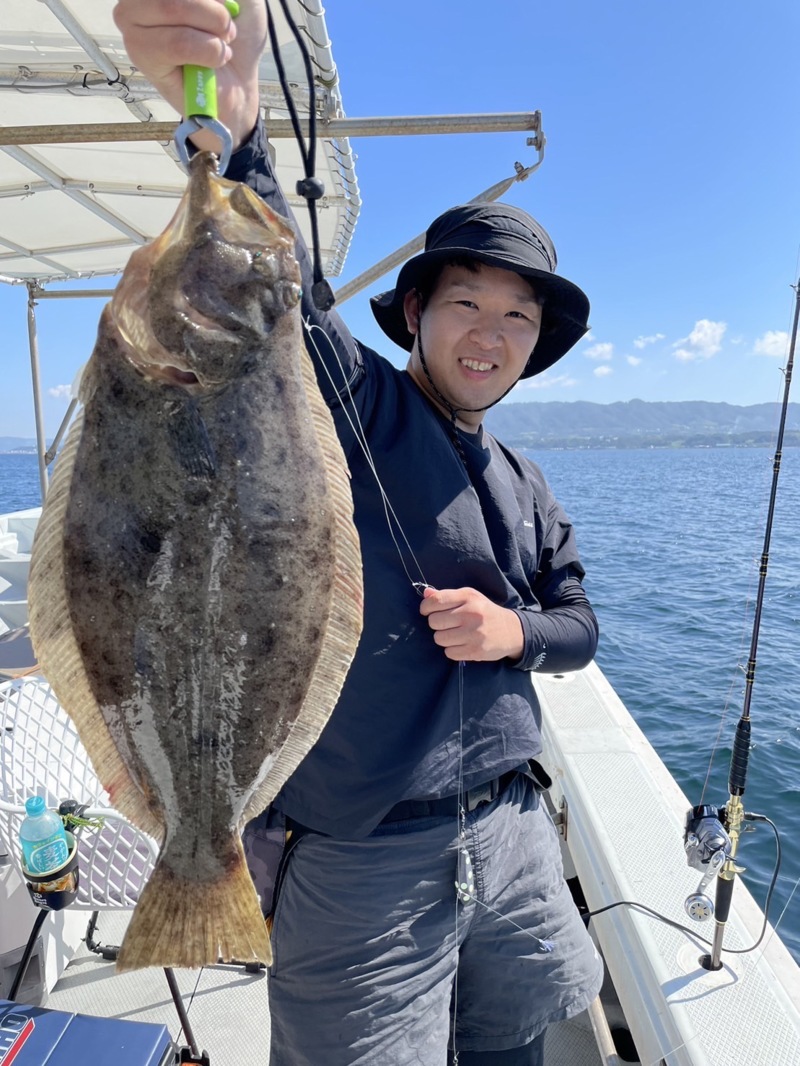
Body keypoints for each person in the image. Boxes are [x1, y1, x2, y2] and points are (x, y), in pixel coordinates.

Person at [114, 3, 605, 1063]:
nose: (491, 333)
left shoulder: (526, 481)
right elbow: (288, 303)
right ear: (415, 314)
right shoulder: (359, 404)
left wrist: (515, 633)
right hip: (362, 854)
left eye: (517, 318)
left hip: (516, 836)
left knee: (518, 1044)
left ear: (534, 347)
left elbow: (578, 623)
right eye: (465, 302)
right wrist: (233, 133)